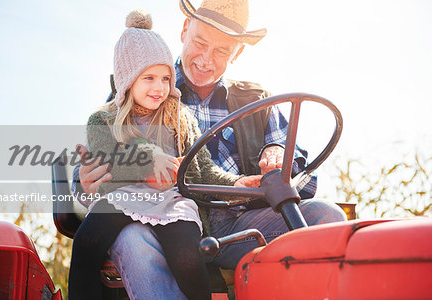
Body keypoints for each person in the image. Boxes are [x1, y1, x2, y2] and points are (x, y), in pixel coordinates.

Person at [72, 0, 347, 298]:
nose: (205, 58)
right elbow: (99, 157)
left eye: (221, 50)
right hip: (160, 220)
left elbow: (303, 180)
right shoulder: (141, 85)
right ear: (184, 30)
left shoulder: (257, 100)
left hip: (239, 223)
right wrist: (85, 181)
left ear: (237, 52)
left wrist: (278, 154)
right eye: (200, 42)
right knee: (134, 239)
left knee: (326, 217)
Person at [68, 9, 262, 300]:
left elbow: (204, 168)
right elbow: (105, 157)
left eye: (165, 79)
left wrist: (234, 184)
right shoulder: (105, 120)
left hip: (172, 201)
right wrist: (148, 157)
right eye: (148, 78)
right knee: (87, 240)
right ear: (127, 80)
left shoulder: (180, 117)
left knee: (187, 257)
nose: (159, 88)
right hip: (125, 197)